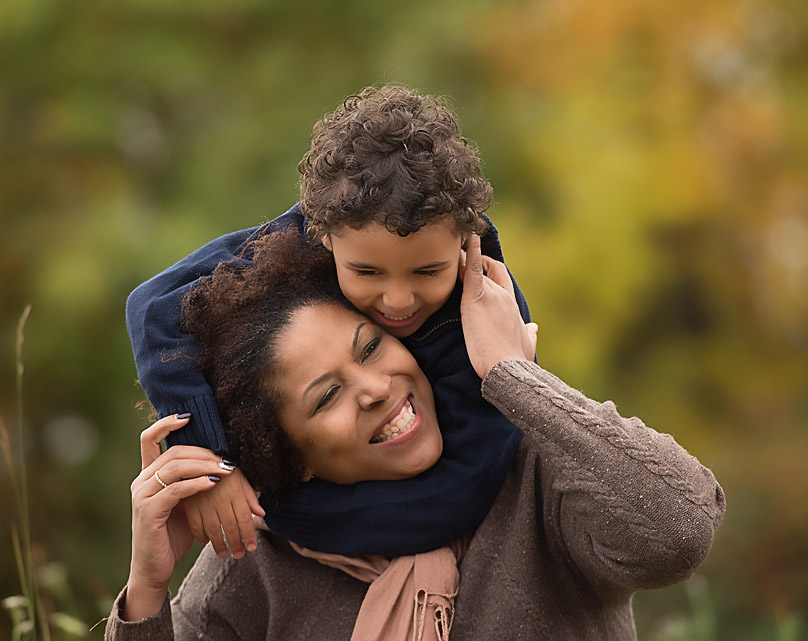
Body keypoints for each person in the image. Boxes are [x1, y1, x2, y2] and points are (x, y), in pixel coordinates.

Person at [107, 230, 725, 640]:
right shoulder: (254, 560)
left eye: (371, 347)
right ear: (293, 460)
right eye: (328, 396)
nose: (375, 386)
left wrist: (515, 378)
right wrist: (147, 589)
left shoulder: (536, 467)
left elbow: (677, 529)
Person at [126, 85, 533, 558]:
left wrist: (511, 374)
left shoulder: (486, 308)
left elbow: (461, 491)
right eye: (366, 272)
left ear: (466, 241)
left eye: (428, 271)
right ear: (323, 238)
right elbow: (153, 307)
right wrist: (216, 466)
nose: (398, 300)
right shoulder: (328, 219)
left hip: (423, 496)